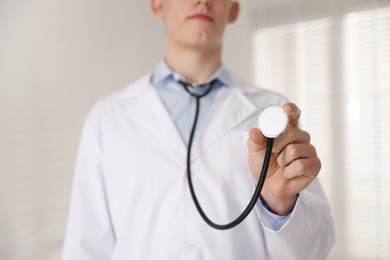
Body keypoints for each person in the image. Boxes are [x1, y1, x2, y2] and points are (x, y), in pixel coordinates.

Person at [62, 0, 335, 259]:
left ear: (233, 10)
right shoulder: (108, 117)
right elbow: (85, 248)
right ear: (158, 4)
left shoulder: (270, 109)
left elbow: (313, 250)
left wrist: (280, 203)